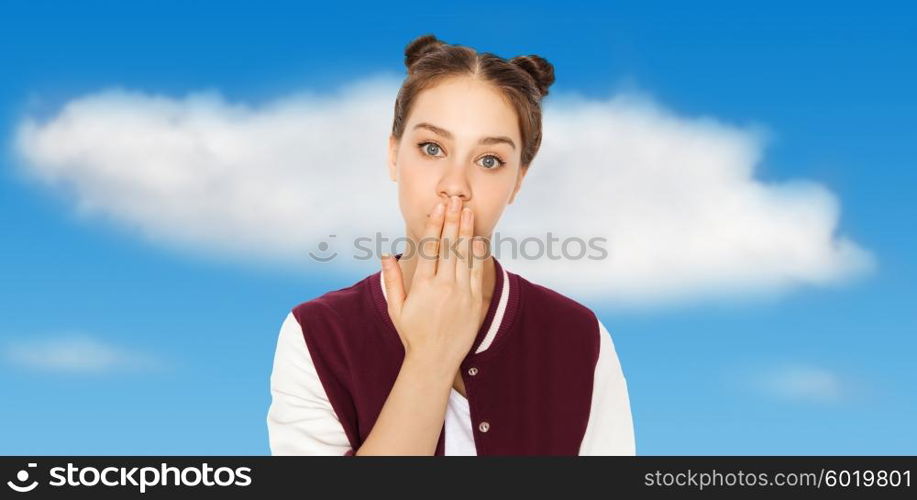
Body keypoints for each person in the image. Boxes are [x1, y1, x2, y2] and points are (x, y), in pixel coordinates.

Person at [267, 34, 635, 455]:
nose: (455, 187)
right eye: (432, 148)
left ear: (518, 180)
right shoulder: (316, 335)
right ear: (393, 155)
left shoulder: (581, 338)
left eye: (489, 160)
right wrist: (431, 358)